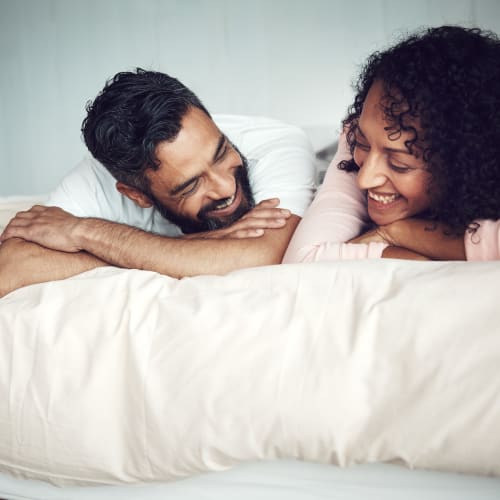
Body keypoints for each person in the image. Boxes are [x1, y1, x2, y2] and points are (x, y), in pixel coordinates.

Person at [0, 69, 315, 297]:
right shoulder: (95, 180)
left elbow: (261, 256)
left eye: (221, 152)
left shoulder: (277, 142)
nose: (225, 188)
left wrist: (87, 232)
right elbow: (10, 268)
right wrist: (207, 248)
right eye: (191, 185)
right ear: (136, 195)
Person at [283, 25, 500, 264]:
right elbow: (305, 261)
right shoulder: (356, 133)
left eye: (399, 164)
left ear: (465, 167)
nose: (364, 179)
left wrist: (395, 233)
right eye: (363, 144)